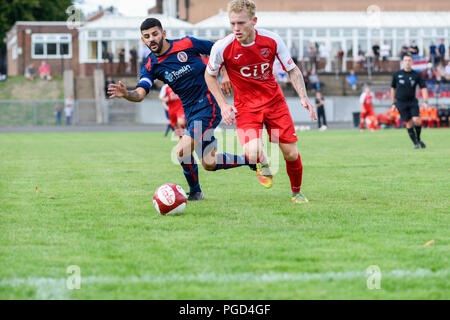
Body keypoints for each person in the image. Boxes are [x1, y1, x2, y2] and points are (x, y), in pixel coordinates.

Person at [108, 18, 254, 201]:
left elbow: (220, 50)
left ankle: (195, 192)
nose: (152, 39)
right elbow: (140, 92)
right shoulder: (151, 64)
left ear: (163, 33)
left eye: (155, 34)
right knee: (209, 162)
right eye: (147, 37)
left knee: (181, 150)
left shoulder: (187, 43)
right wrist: (126, 93)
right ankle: (250, 159)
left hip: (209, 104)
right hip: (191, 112)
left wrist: (224, 74)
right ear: (143, 40)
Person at [205, 0, 317, 204]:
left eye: (241, 23)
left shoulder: (271, 40)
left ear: (254, 21)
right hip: (246, 107)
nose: (236, 29)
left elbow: (292, 69)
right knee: (252, 151)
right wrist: (223, 105)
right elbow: (209, 75)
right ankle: (263, 164)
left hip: (275, 103)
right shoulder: (222, 46)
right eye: (232, 24)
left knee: (291, 153)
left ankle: (296, 193)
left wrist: (303, 96)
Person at [390, 54, 429, 149]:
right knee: (408, 123)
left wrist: (425, 101)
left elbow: (423, 88)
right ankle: (415, 143)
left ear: (412, 62)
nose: (407, 62)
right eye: (406, 60)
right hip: (401, 102)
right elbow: (393, 89)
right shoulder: (397, 74)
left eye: (409, 60)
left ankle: (418, 138)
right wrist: (393, 102)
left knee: (417, 120)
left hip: (412, 101)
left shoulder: (416, 75)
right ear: (403, 62)